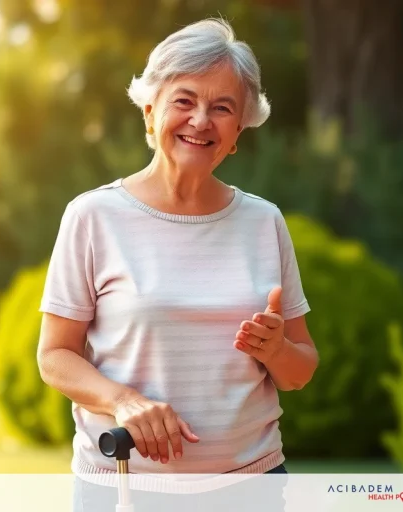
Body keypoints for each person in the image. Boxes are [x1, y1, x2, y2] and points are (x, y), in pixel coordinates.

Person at [36, 18, 319, 511]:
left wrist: (276, 349)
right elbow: (55, 356)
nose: (201, 120)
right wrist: (122, 400)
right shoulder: (92, 216)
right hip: (123, 488)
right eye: (184, 101)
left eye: (222, 108)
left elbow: (300, 370)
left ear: (238, 130)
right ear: (150, 113)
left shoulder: (264, 221)